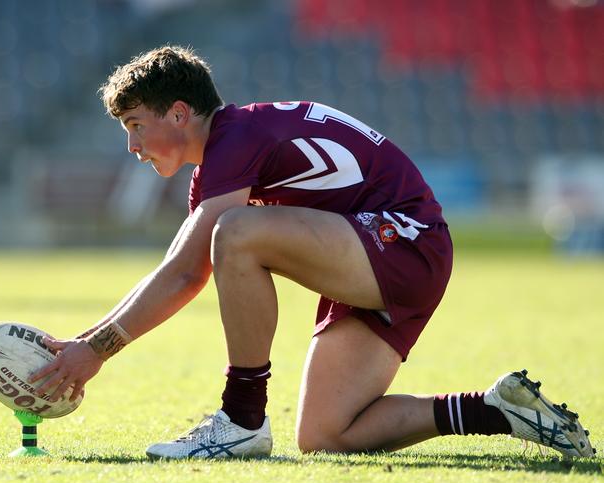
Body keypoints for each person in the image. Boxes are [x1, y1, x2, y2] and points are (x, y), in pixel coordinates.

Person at [29, 45, 594, 460]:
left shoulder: (235, 140)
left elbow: (187, 273)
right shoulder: (227, 156)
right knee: (328, 435)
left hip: (401, 240)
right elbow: (180, 267)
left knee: (237, 234)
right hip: (382, 252)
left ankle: (242, 418)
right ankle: (496, 409)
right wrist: (85, 345)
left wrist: (95, 351)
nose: (131, 146)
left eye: (135, 125)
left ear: (179, 113)